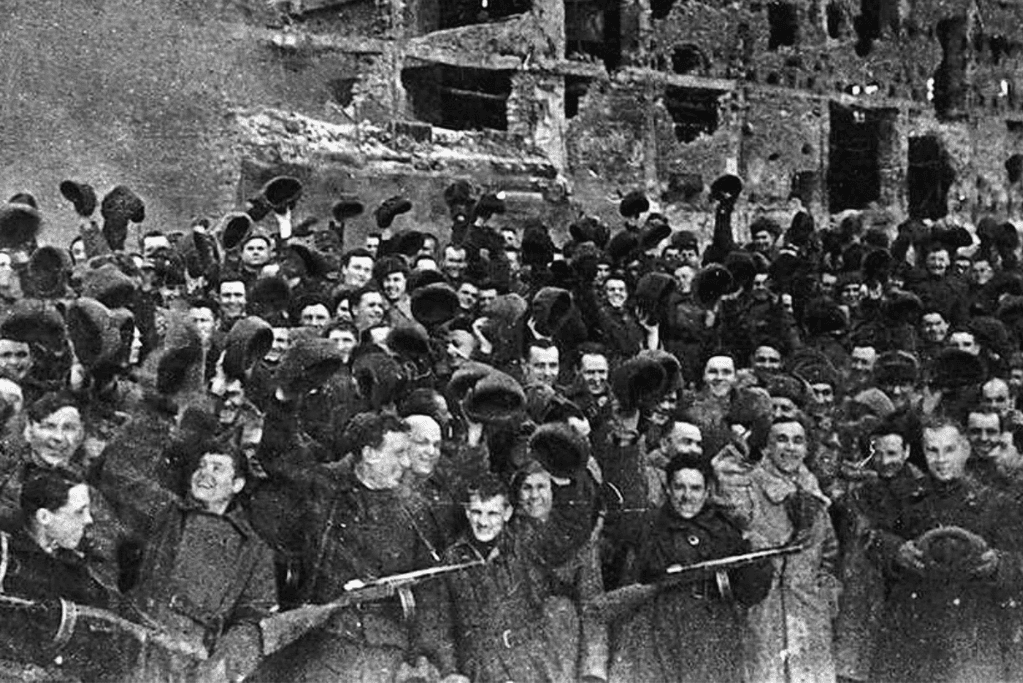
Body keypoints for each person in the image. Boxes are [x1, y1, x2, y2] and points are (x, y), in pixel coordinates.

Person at [253, 413, 447, 682]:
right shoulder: (323, 489)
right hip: (323, 642)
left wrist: (427, 656)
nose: (406, 463)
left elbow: (430, 591)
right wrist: (283, 401)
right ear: (369, 454)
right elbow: (279, 458)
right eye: (399, 453)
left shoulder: (414, 510)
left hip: (386, 652)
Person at [868, 417, 1023, 682]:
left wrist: (998, 563)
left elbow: (1018, 562)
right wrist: (895, 551)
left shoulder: (996, 504)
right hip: (913, 628)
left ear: (966, 450)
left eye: (949, 450)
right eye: (932, 450)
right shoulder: (902, 497)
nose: (941, 460)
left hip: (972, 628)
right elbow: (872, 540)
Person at [608, 454, 772, 683]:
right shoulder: (651, 526)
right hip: (658, 633)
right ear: (668, 490)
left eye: (695, 488)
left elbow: (749, 594)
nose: (687, 497)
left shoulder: (725, 531)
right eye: (679, 487)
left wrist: (757, 560)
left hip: (711, 637)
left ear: (707, 492)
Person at [421, 471, 593, 682]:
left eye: (492, 513)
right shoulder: (450, 562)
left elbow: (567, 550)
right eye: (476, 512)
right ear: (466, 512)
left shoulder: (525, 547)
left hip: (530, 664)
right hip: (480, 669)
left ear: (507, 513)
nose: (483, 522)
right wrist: (450, 671)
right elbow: (439, 626)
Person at [130, 440, 277, 682]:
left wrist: (222, 664)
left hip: (198, 662)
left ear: (237, 484)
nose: (204, 473)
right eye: (201, 465)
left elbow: (254, 619)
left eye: (217, 468)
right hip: (144, 645)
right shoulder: (165, 513)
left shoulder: (254, 550)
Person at [738, 416, 841, 683]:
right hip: (763, 612)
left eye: (798, 441)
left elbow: (829, 549)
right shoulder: (747, 489)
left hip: (808, 614)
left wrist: (823, 591)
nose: (790, 448)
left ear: (807, 449)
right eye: (781, 439)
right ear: (767, 448)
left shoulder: (814, 493)